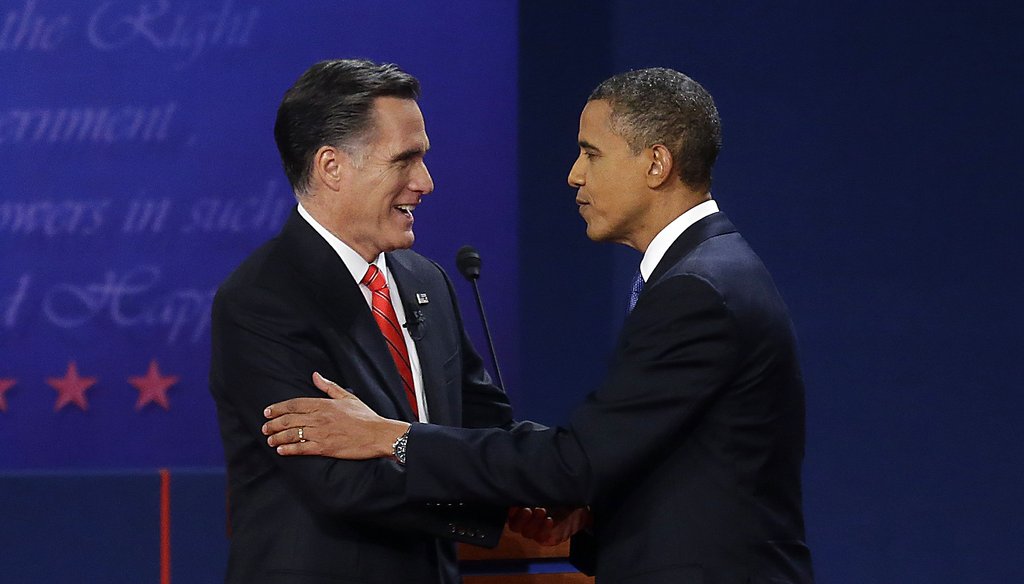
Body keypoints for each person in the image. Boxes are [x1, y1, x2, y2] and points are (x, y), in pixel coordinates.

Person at [263, 67, 814, 583]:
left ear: (656, 164)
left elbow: (578, 462)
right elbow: (650, 461)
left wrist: (392, 437)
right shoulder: (710, 271)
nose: (574, 174)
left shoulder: (696, 290)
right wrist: (581, 509)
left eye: (591, 154)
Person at [208, 59, 521, 584]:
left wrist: (542, 477)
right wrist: (503, 504)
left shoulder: (427, 280)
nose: (426, 182)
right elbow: (341, 482)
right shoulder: (261, 301)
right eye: (406, 159)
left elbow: (483, 420)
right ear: (332, 167)